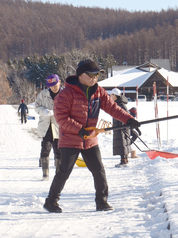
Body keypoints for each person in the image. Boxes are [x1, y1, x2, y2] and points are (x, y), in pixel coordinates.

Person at [43, 59, 140, 213]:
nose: (95, 78)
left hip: (90, 140)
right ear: (81, 75)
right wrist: (79, 129)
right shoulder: (66, 94)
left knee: (99, 170)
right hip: (70, 139)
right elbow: (61, 117)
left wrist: (129, 119)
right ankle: (51, 201)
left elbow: (112, 108)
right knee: (64, 172)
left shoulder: (98, 91)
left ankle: (102, 202)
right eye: (92, 74)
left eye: (97, 75)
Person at [35, 74, 62, 180]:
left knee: (59, 149)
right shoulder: (43, 94)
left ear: (59, 82)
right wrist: (44, 111)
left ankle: (59, 174)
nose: (54, 87)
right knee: (45, 148)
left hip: (59, 126)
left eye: (56, 84)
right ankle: (45, 174)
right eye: (51, 85)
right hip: (46, 126)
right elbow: (36, 107)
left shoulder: (64, 94)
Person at [110, 88, 132, 166]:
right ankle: (124, 159)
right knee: (121, 143)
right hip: (119, 126)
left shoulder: (120, 105)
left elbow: (125, 116)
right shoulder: (118, 104)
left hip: (121, 127)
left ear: (115, 96)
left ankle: (124, 161)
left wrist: (122, 126)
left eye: (111, 95)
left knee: (122, 143)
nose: (110, 96)